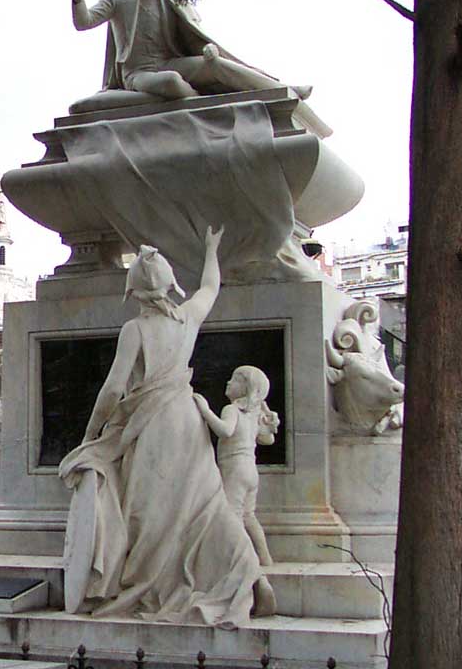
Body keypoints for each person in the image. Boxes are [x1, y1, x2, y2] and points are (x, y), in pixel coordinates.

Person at [59, 227, 274, 626]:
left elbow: (112, 390)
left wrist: (91, 436)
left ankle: (152, 584)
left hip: (150, 426)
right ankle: (245, 571)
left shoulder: (135, 330)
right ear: (171, 285)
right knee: (204, 505)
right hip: (188, 421)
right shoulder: (188, 318)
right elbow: (210, 286)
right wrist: (211, 248)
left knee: (151, 517)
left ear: (135, 293)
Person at [71, 0, 311, 101]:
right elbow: (84, 22)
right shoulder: (118, 0)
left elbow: (196, 34)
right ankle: (207, 99)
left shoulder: (175, 0)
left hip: (169, 61)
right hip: (138, 73)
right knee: (172, 81)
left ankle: (283, 91)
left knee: (216, 64)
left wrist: (207, 50)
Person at [194, 366, 280, 568]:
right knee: (249, 515)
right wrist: (269, 425)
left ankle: (242, 561)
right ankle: (265, 558)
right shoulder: (253, 414)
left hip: (235, 469)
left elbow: (225, 431)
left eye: (234, 380)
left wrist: (205, 411)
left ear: (246, 388)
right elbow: (267, 440)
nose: (228, 383)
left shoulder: (231, 409)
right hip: (251, 470)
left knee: (232, 517)